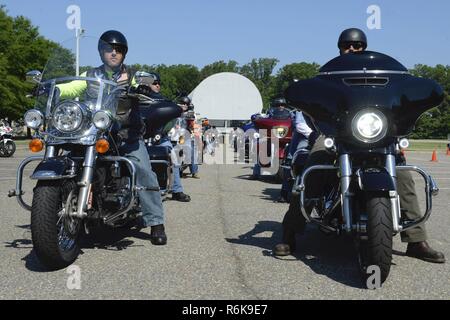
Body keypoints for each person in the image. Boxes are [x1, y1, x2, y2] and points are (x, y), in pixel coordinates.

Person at [274, 28, 445, 264]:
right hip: (337, 134)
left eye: (357, 46)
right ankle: (290, 232)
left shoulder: (380, 76)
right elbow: (316, 99)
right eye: (347, 45)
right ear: (340, 47)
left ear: (364, 48)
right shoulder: (331, 75)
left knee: (403, 174)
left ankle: (417, 240)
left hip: (375, 133)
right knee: (315, 163)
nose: (352, 49)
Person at [56, 30, 169, 246]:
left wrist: (142, 87)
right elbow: (71, 87)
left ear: (124, 54)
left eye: (118, 50)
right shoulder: (91, 75)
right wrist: (50, 89)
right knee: (70, 160)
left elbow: (143, 87)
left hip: (126, 135)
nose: (114, 53)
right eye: (109, 49)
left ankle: (156, 222)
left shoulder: (132, 75)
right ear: (101, 52)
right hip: (94, 134)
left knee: (144, 171)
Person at [146, 75, 192, 202]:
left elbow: (171, 120)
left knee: (174, 160)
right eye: (154, 83)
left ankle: (177, 191)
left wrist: (161, 132)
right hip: (138, 138)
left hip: (160, 137)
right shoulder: (136, 100)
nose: (158, 85)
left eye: (158, 83)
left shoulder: (163, 101)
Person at [277, 111, 315, 203]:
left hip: (325, 137)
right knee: (295, 157)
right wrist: (314, 135)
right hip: (306, 137)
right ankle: (285, 192)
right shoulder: (303, 107)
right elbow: (300, 125)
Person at [250, 98, 292, 180]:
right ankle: (256, 172)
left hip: (285, 136)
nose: (280, 106)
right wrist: (257, 118)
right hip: (270, 135)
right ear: (274, 106)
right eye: (278, 105)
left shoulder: (291, 114)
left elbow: (295, 120)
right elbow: (260, 117)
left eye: (282, 105)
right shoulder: (270, 114)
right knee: (259, 144)